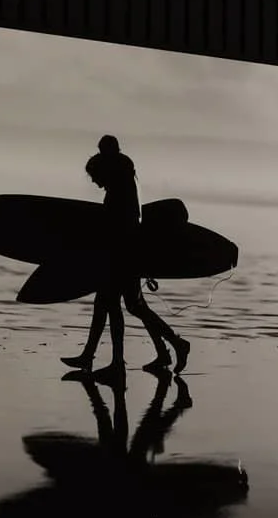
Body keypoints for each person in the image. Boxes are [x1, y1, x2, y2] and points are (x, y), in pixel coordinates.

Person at [60, 136, 188, 376]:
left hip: (123, 254)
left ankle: (116, 363)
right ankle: (170, 347)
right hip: (128, 253)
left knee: (110, 305)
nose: (95, 182)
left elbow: (119, 225)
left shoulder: (120, 186)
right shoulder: (126, 179)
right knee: (132, 306)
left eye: (95, 177)